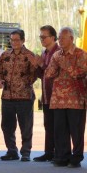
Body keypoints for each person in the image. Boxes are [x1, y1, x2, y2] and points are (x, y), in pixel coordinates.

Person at [45, 27, 87, 168]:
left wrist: (65, 64)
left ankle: (76, 157)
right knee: (60, 130)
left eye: (63, 38)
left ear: (71, 38)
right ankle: (62, 156)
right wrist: (53, 66)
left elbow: (80, 72)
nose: (60, 41)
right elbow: (49, 74)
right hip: (58, 99)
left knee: (76, 130)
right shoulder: (56, 55)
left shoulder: (81, 54)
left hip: (75, 98)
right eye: (59, 38)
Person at [0, 29, 38, 162]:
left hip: (24, 97)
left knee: (25, 126)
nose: (14, 42)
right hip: (7, 96)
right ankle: (11, 151)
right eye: (12, 40)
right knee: (7, 125)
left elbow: (34, 74)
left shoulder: (30, 55)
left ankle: (25, 152)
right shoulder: (5, 55)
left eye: (17, 40)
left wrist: (22, 84)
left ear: (23, 40)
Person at [33, 25, 59, 162]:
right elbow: (42, 75)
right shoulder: (44, 52)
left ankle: (59, 153)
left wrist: (41, 64)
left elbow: (53, 73)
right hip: (46, 96)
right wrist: (36, 65)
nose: (41, 39)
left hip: (58, 97)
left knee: (58, 126)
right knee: (48, 125)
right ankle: (49, 152)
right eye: (40, 37)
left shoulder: (59, 52)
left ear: (53, 37)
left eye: (44, 36)